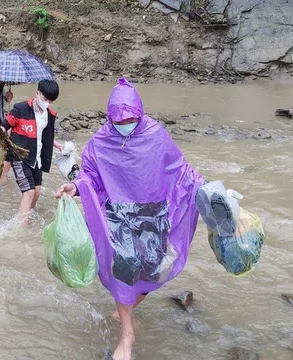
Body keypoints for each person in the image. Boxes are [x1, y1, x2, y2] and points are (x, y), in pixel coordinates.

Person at [55, 78, 237, 360]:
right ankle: (126, 335)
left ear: (140, 114)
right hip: (117, 215)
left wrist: (206, 190)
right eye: (119, 119)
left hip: (153, 215)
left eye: (130, 118)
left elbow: (180, 169)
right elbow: (89, 176)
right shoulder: (101, 141)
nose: (125, 123)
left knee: (152, 269)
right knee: (124, 267)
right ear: (110, 117)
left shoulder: (155, 134)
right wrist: (75, 187)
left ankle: (123, 310)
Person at [0, 79, 64, 224]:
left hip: (37, 158)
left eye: (51, 101)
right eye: (45, 99)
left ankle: (25, 214)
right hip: (20, 157)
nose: (47, 103)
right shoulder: (20, 109)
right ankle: (22, 227)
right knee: (29, 192)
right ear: (37, 93)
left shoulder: (49, 115)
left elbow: (44, 135)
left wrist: (57, 144)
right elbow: (3, 127)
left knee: (37, 192)